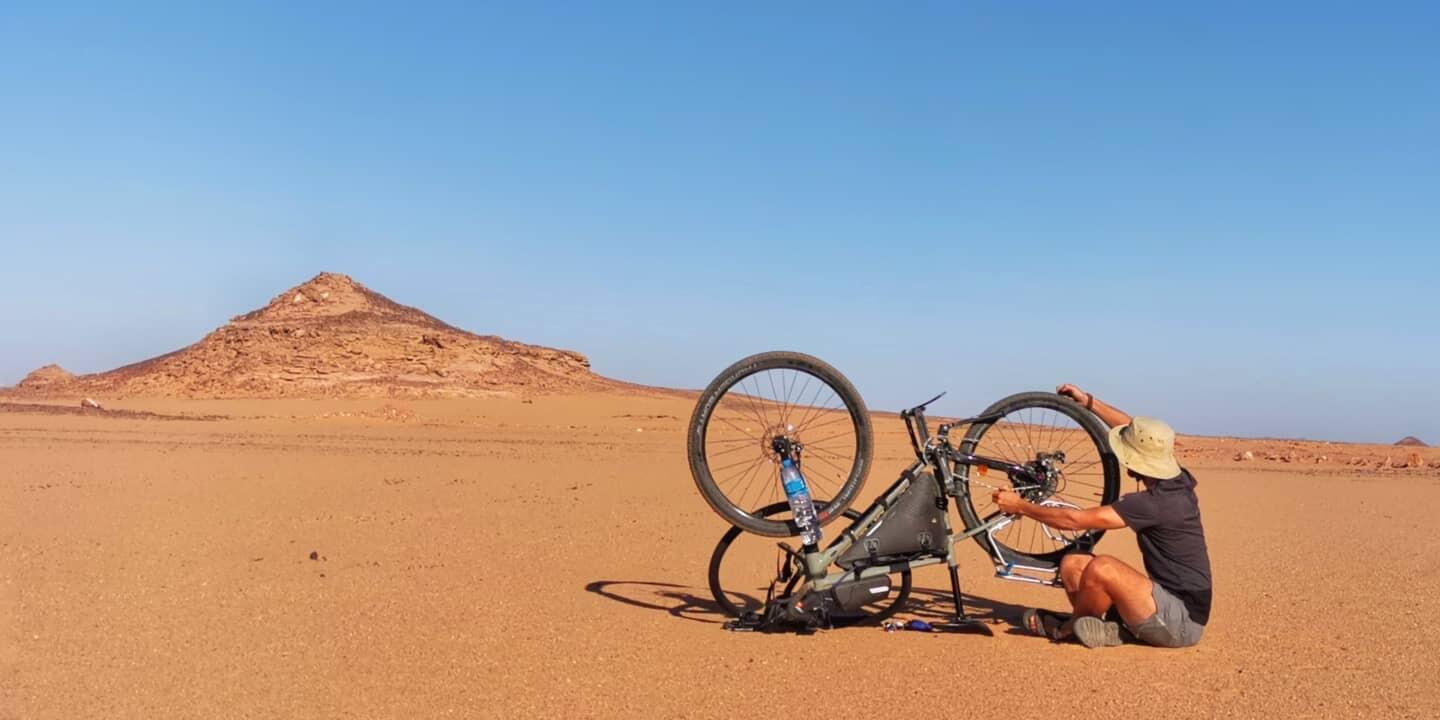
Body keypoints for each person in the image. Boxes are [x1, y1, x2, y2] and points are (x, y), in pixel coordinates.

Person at [992, 384, 1212, 649]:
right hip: (1156, 601)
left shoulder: (1156, 503)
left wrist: (1020, 506)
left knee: (1103, 568)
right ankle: (1109, 628)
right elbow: (1135, 430)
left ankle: (1070, 627)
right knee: (1072, 562)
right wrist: (1089, 402)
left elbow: (1074, 521)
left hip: (1182, 621)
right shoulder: (1178, 479)